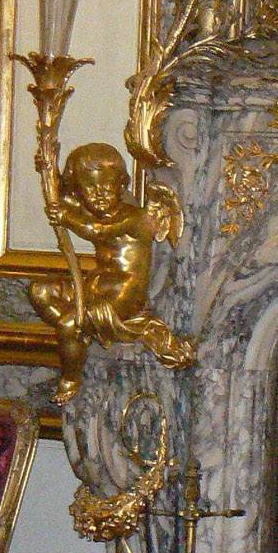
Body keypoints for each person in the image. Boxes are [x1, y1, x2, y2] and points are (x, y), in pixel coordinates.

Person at [28, 142, 195, 405]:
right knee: (40, 291)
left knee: (68, 325)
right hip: (97, 285)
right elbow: (63, 199)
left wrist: (66, 218)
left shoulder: (135, 217)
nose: (99, 195)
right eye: (90, 188)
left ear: (121, 186)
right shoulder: (94, 209)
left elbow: (97, 230)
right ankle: (83, 336)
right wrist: (49, 171)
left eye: (107, 187)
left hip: (124, 295)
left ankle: (71, 377)